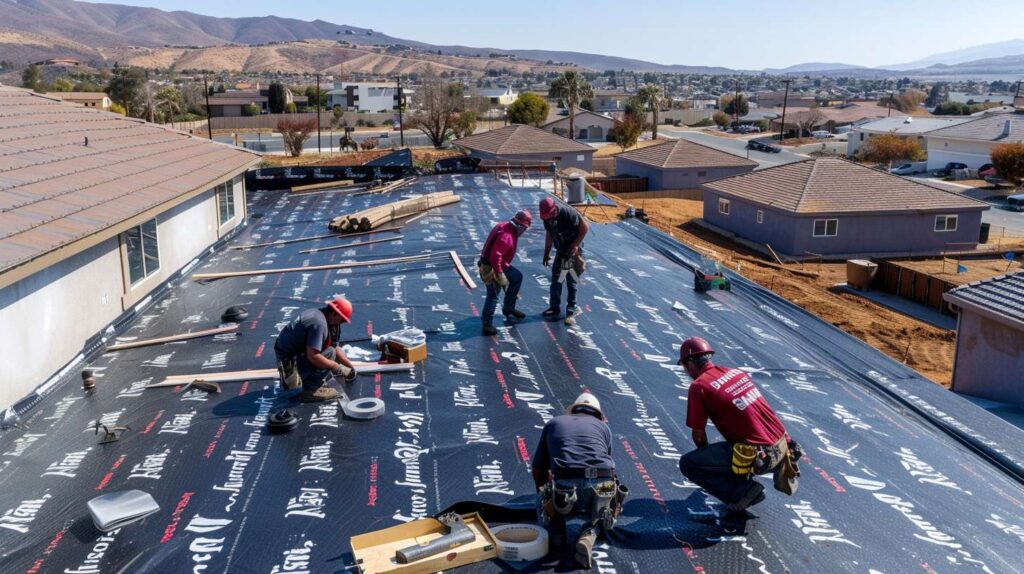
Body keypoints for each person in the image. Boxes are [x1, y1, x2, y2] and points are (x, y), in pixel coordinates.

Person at [677, 337, 801, 515]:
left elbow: (698, 435)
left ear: (690, 363)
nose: (686, 371)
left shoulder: (699, 386)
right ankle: (742, 481)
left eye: (684, 366)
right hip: (784, 446)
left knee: (689, 464)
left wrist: (710, 466)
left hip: (762, 456)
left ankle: (744, 492)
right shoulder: (736, 373)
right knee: (737, 443)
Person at [533, 393, 624, 569]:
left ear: (574, 411)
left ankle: (557, 535)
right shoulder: (604, 428)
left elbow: (538, 469)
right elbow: (608, 466)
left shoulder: (554, 423)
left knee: (548, 504)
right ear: (598, 415)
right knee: (606, 509)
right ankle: (591, 532)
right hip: (601, 488)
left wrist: (544, 498)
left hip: (566, 490)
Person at [274, 298, 358, 403]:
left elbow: (335, 346)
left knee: (331, 351)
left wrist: (349, 366)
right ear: (335, 313)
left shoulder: (325, 317)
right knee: (329, 354)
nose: (342, 323)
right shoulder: (318, 324)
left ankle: (309, 381)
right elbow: (313, 356)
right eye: (342, 320)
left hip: (296, 356)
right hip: (290, 369)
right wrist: (336, 367)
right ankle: (310, 391)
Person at [477, 210, 532, 336]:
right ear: (520, 226)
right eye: (524, 228)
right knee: (493, 294)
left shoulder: (504, 226)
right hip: (491, 267)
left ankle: (509, 308)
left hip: (499, 264)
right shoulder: (507, 236)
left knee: (517, 277)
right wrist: (500, 274)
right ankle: (487, 324)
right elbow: (495, 257)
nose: (524, 231)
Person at [539, 197, 589, 326]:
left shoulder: (567, 213)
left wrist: (576, 245)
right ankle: (554, 307)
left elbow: (584, 227)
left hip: (572, 250)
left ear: (554, 208)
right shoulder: (547, 218)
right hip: (561, 250)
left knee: (571, 280)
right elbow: (549, 235)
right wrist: (546, 253)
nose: (548, 218)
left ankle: (571, 310)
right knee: (557, 279)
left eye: (549, 215)